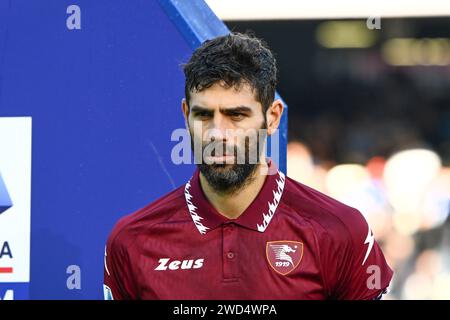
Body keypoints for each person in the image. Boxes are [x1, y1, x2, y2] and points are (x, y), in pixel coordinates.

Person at [103, 32, 393, 300]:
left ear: (272, 118)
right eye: (203, 115)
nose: (217, 132)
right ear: (185, 114)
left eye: (236, 115)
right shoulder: (133, 240)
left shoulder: (340, 231)